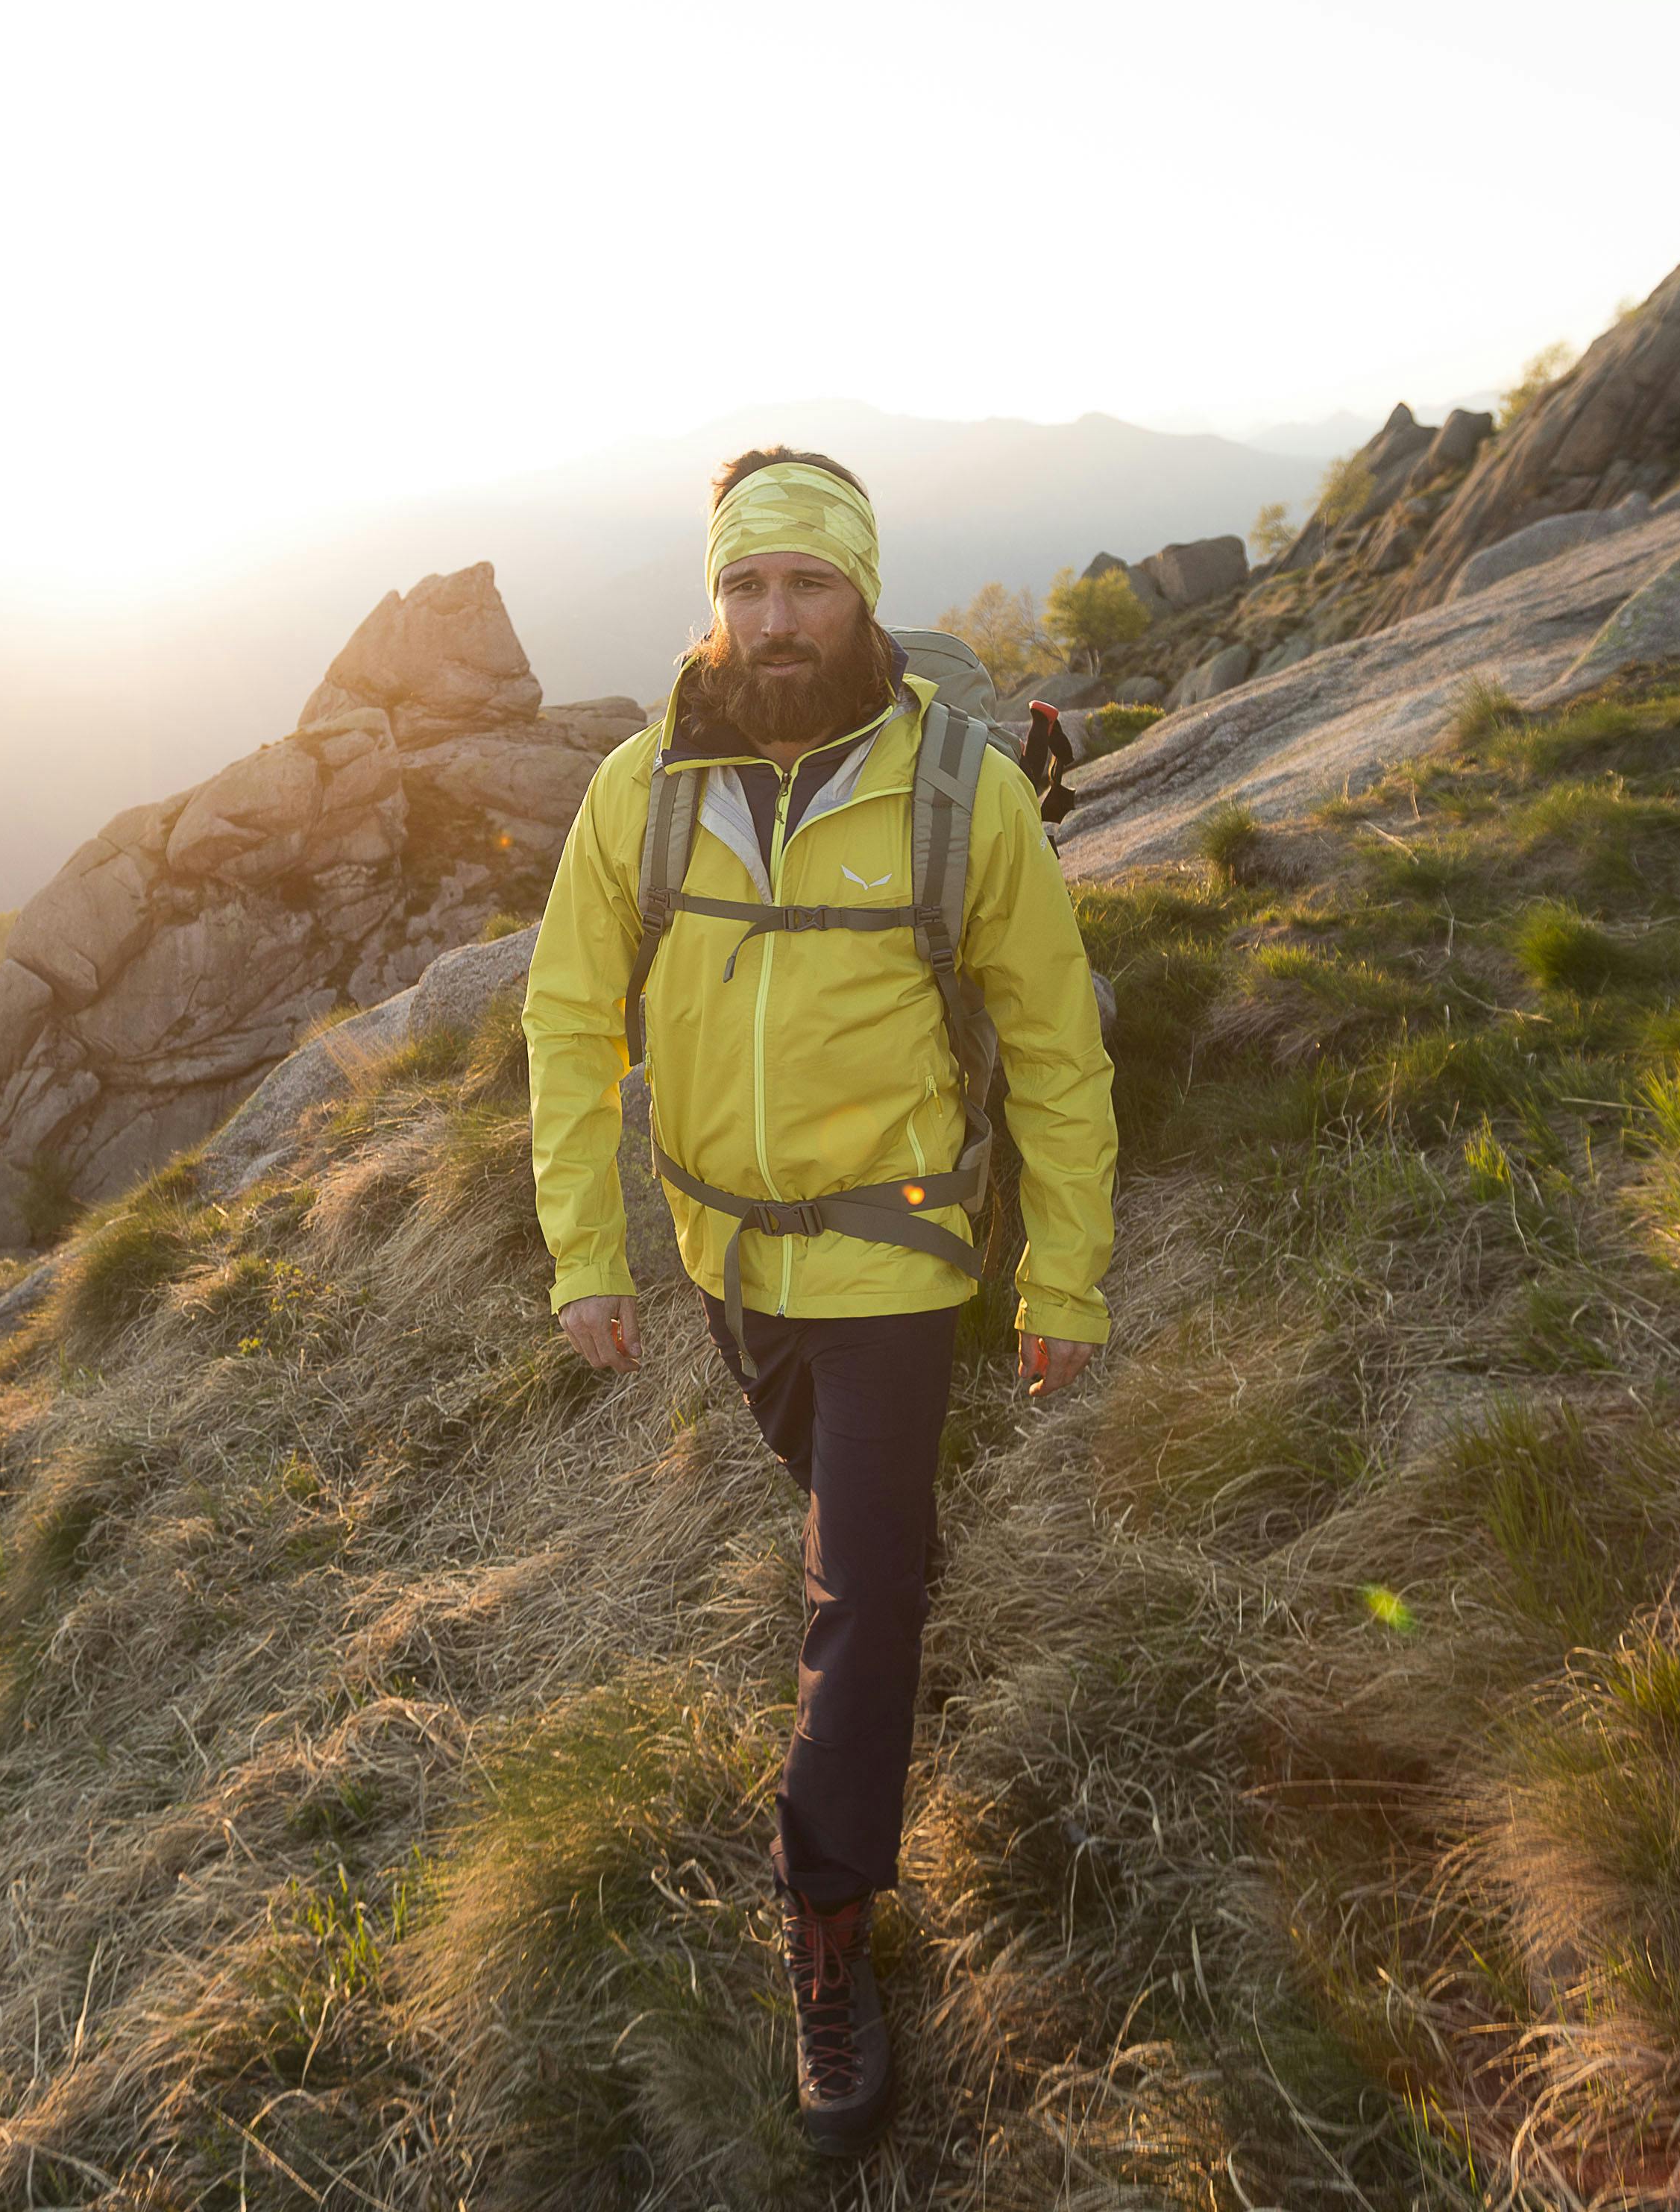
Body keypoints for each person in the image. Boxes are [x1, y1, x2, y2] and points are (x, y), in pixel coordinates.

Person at [520, 447, 1117, 2158]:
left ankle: (828, 1921)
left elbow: (1061, 1052)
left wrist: (1059, 1269)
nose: (776, 622)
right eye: (745, 588)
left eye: (810, 585)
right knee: (854, 1530)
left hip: (901, 1257)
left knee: (863, 1591)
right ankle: (889, 1576)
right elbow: (571, 1022)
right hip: (728, 1266)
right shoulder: (638, 792)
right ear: (713, 602)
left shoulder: (957, 798)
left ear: (865, 594)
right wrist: (590, 1251)